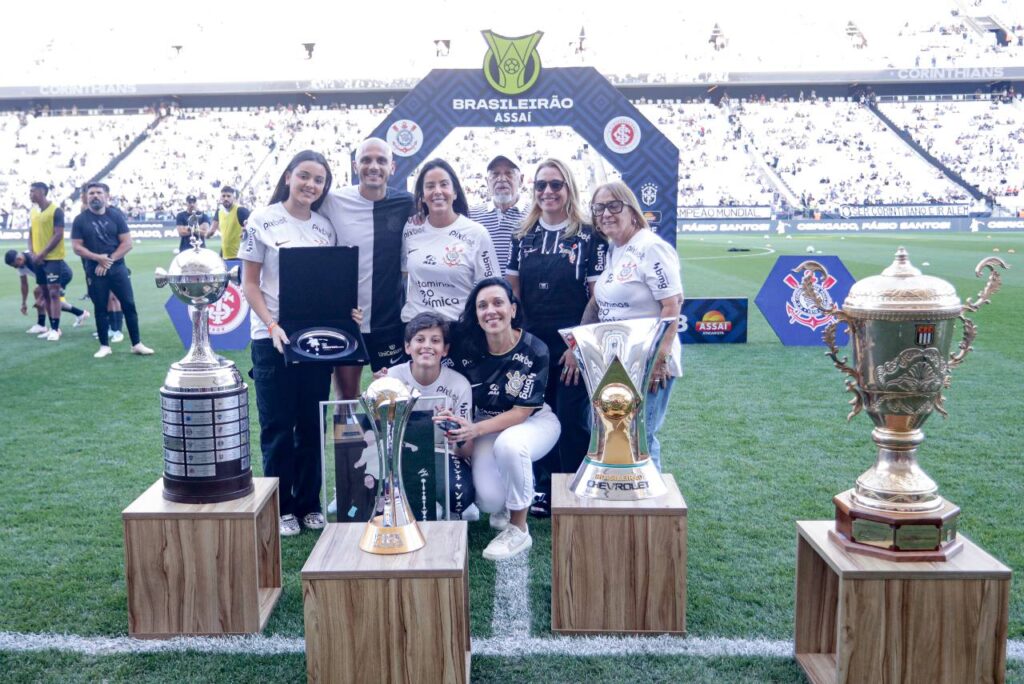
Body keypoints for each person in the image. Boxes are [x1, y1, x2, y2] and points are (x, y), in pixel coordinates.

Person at [239, 150, 346, 538]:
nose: (310, 185)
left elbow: (327, 285)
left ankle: (309, 502)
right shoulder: (262, 221)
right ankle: (282, 506)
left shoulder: (324, 227)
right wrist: (271, 325)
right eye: (304, 176)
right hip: (272, 339)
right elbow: (250, 284)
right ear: (288, 177)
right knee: (278, 426)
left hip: (314, 340)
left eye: (318, 180)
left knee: (311, 424)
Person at [506, 159, 607, 512]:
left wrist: (577, 346)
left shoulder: (590, 235)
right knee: (532, 414)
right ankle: (540, 490)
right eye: (541, 185)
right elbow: (513, 293)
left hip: (571, 345)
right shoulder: (523, 235)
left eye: (556, 184)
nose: (548, 191)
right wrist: (519, 343)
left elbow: (597, 297)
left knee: (569, 416)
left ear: (569, 189)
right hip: (532, 345)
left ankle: (571, 488)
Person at [448, 278, 560, 561]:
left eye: (498, 303)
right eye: (482, 305)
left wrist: (473, 430)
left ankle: (519, 529)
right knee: (488, 500)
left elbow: (521, 413)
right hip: (487, 422)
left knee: (510, 445)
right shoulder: (466, 345)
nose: (490, 311)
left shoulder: (535, 349)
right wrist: (393, 373)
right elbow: (428, 347)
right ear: (475, 314)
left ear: (512, 308)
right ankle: (509, 494)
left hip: (533, 421)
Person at [588, 181, 683, 471]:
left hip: (648, 362)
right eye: (599, 208)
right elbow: (600, 303)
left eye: (614, 206)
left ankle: (649, 508)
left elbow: (673, 304)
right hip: (618, 362)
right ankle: (626, 500)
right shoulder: (615, 248)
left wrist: (660, 359)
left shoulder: (651, 247)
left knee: (641, 436)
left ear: (632, 210)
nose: (606, 214)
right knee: (621, 437)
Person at [319, 137, 415, 400]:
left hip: (389, 322)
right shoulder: (333, 201)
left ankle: (389, 443)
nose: (374, 166)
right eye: (366, 160)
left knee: (393, 398)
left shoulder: (407, 203)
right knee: (346, 399)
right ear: (355, 166)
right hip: (348, 321)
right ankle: (348, 443)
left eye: (381, 160)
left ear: (392, 167)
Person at [381, 311, 477, 521]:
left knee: (460, 496)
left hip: (443, 454)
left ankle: (446, 501)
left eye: (435, 340)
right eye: (419, 339)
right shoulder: (392, 378)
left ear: (445, 350)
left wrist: (455, 432)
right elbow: (378, 433)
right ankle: (429, 502)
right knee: (379, 494)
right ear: (407, 347)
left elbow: (466, 450)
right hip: (402, 456)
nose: (427, 346)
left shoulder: (459, 384)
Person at [402, 159, 497, 323]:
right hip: (416, 330)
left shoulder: (477, 233)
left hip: (457, 330)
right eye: (430, 186)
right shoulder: (410, 228)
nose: (437, 191)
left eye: (444, 184)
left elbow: (492, 288)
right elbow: (403, 274)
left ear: (455, 192)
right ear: (422, 196)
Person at [70, 182, 154, 359]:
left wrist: (107, 260)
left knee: (129, 305)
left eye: (98, 192)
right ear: (86, 197)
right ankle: (104, 346)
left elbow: (127, 243)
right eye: (91, 193)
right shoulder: (80, 220)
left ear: (107, 196)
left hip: (117, 268)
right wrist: (97, 258)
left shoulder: (116, 216)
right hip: (94, 270)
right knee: (100, 308)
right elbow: (77, 247)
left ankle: (136, 344)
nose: (94, 196)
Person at [5, 249, 89, 334]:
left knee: (49, 299)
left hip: (62, 275)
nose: (16, 267)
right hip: (49, 278)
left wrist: (41, 298)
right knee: (40, 294)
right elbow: (24, 284)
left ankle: (54, 328)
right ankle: (79, 314)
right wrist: (24, 303)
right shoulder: (21, 265)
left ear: (19, 259)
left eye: (15, 265)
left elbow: (47, 278)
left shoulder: (33, 259)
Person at [469, 155, 526, 275]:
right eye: (495, 174)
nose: (501, 179)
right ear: (487, 181)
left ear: (521, 180)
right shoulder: (471, 216)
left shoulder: (536, 214)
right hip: (481, 292)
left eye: (509, 173)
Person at [27, 182, 70, 341]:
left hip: (53, 259)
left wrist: (42, 253)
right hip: (38, 259)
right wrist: (32, 252)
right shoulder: (33, 211)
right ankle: (52, 327)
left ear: (42, 192)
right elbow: (30, 233)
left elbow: (58, 235)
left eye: (32, 191)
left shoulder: (56, 211)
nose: (30, 194)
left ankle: (55, 328)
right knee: (44, 292)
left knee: (53, 292)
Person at [209, 186, 250, 259]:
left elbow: (252, 228)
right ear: (220, 198)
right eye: (223, 196)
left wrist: (246, 231)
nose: (226, 198)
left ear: (233, 198)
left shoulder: (241, 211)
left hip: (240, 256)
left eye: (228, 196)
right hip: (225, 254)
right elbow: (211, 231)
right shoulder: (219, 212)